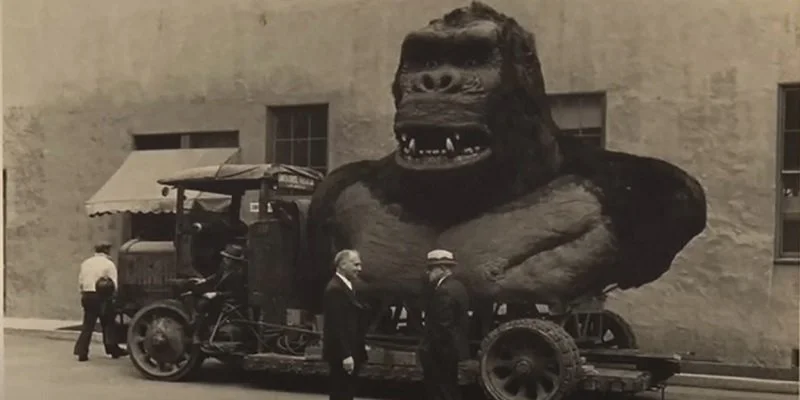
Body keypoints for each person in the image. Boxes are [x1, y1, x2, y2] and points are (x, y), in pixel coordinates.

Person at [419, 249, 470, 400]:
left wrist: (427, 349)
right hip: (452, 349)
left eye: (431, 269)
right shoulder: (458, 286)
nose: (428, 272)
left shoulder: (444, 291)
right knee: (450, 388)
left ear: (442, 269)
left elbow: (442, 326)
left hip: (441, 352)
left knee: (440, 390)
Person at [322, 249, 368, 400]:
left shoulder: (346, 286)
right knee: (341, 393)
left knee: (346, 393)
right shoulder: (335, 289)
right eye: (355, 264)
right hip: (342, 354)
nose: (359, 269)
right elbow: (337, 326)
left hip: (349, 351)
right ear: (342, 265)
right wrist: (346, 355)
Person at [73, 242, 128, 361]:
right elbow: (114, 284)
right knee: (108, 323)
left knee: (88, 324)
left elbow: (81, 281)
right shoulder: (108, 264)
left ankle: (82, 351)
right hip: (103, 296)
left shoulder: (86, 263)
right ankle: (112, 349)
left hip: (87, 295)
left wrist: (83, 293)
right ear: (107, 251)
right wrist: (115, 298)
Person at [190, 243, 248, 344]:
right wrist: (205, 280)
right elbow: (217, 276)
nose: (224, 260)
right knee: (194, 295)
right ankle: (196, 323)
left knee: (203, 304)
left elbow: (235, 293)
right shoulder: (224, 268)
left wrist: (217, 294)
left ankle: (197, 333)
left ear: (234, 261)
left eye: (227, 258)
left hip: (228, 301)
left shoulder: (238, 275)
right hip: (220, 297)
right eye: (225, 257)